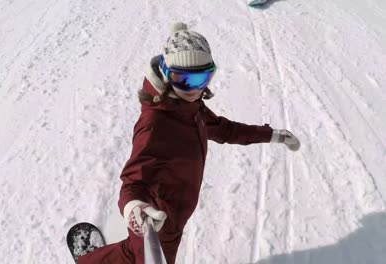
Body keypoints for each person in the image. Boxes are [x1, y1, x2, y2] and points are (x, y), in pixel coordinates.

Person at [78, 22, 301, 264]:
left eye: (202, 78)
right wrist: (134, 208)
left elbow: (226, 130)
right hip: (155, 220)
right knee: (139, 256)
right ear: (165, 72)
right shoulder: (155, 123)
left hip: (175, 211)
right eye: (182, 79)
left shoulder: (190, 108)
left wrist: (271, 135)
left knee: (132, 254)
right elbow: (133, 181)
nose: (193, 89)